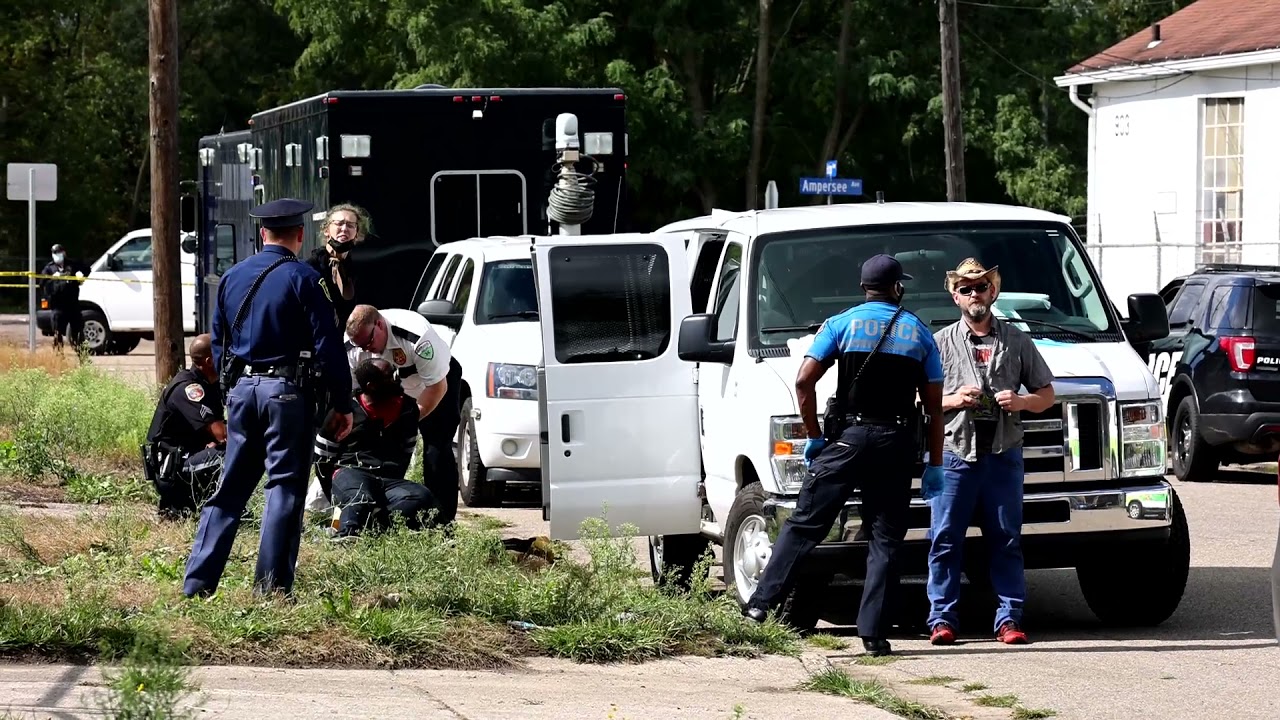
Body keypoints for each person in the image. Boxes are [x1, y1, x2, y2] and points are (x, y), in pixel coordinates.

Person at [744, 254, 945, 657]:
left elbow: (804, 381)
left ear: (863, 287)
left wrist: (816, 436)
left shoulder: (841, 323)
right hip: (895, 442)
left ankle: (759, 606)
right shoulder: (920, 333)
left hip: (848, 439)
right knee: (885, 540)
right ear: (897, 287)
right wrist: (935, 464)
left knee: (804, 525)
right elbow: (935, 407)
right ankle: (873, 635)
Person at [182, 197, 354, 599]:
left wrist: (231, 393)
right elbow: (328, 348)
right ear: (299, 235)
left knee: (230, 488)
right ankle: (272, 590)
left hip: (242, 394)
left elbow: (220, 345)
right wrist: (343, 404)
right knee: (284, 489)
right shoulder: (307, 279)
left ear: (262, 235)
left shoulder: (231, 277)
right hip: (286, 396)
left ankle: (197, 585)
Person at [925, 258, 1055, 646]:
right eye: (966, 289)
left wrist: (1021, 401)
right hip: (954, 455)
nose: (974, 295)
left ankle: (1009, 619)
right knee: (945, 538)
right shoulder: (939, 342)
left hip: (1004, 454)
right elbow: (921, 401)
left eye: (981, 287)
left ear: (993, 291)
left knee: (1006, 538)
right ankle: (941, 620)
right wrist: (952, 399)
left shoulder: (1017, 340)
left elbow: (1046, 395)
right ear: (954, 296)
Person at [344, 303, 463, 526]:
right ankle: (381, 514)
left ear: (379, 325)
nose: (367, 350)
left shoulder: (415, 335)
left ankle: (443, 520)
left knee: (436, 447)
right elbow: (354, 393)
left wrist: (408, 420)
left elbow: (437, 387)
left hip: (436, 384)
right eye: (360, 345)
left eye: (369, 342)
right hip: (392, 391)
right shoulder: (353, 345)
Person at [314, 357, 440, 537]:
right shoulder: (345, 411)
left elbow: (406, 452)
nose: (397, 379)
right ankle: (347, 535)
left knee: (421, 497)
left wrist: (392, 482)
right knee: (360, 496)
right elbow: (321, 456)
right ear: (371, 385)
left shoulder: (408, 409)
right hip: (351, 472)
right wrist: (333, 493)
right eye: (390, 376)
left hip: (388, 480)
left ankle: (374, 527)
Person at [143, 334, 227, 519]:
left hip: (188, 460)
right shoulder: (189, 388)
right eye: (223, 353)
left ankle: (215, 507)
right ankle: (222, 510)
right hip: (172, 471)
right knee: (233, 452)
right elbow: (222, 435)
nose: (227, 357)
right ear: (209, 361)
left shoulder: (209, 384)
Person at [306, 204, 370, 328]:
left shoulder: (360, 268)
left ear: (356, 233)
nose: (344, 228)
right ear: (326, 230)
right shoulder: (311, 268)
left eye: (351, 225)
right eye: (339, 223)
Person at [40, 244, 88, 352]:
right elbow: (43, 285)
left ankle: (83, 358)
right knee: (58, 334)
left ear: (64, 252)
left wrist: (81, 275)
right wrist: (52, 279)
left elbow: (87, 269)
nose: (58, 255)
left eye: (59, 252)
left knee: (78, 333)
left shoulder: (72, 265)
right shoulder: (49, 269)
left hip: (73, 304)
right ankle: (58, 358)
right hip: (58, 306)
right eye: (55, 253)